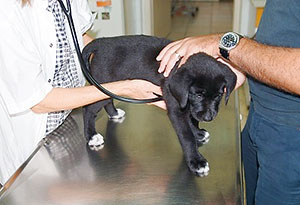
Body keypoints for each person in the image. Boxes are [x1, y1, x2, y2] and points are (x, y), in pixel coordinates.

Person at [0, 0, 165, 185]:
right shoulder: (7, 11)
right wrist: (126, 87)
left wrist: (123, 66)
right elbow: (39, 101)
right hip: (32, 147)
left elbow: (79, 36)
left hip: (70, 121)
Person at [156, 0, 300, 204]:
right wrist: (244, 64)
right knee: (245, 194)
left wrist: (228, 45)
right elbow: (284, 29)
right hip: (261, 116)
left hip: (291, 136)